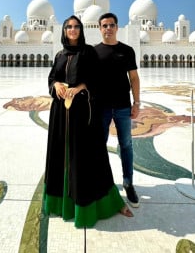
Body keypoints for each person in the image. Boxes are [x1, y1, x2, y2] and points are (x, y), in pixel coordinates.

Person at [43, 15, 133, 228]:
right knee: (61, 155)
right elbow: (52, 77)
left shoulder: (88, 52)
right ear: (64, 31)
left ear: (81, 30)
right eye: (69, 27)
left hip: (83, 114)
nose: (72, 30)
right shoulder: (59, 55)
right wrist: (55, 85)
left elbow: (96, 79)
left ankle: (107, 202)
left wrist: (81, 87)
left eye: (76, 27)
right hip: (60, 115)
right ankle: (60, 202)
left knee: (90, 156)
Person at [94, 12, 140, 208]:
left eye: (111, 25)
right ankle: (101, 182)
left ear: (117, 27)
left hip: (122, 106)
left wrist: (136, 103)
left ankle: (128, 182)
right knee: (99, 145)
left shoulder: (127, 51)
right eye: (104, 25)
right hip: (101, 107)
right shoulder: (93, 52)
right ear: (99, 28)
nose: (108, 28)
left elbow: (134, 78)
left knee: (126, 145)